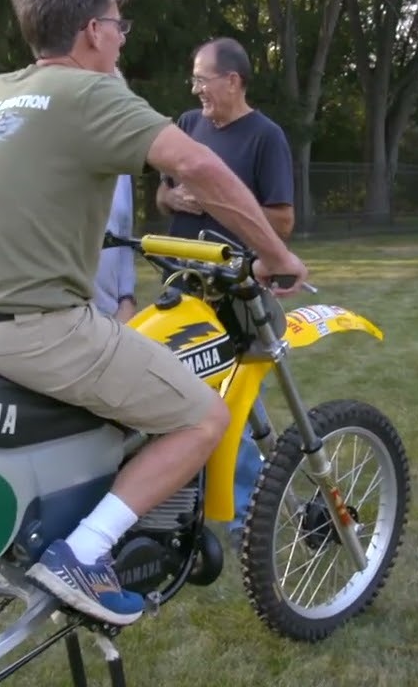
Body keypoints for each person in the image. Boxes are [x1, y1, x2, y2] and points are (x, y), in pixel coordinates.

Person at [0, 0, 307, 628]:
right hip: (40, 332)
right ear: (92, 31)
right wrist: (277, 255)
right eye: (117, 25)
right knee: (203, 418)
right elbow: (197, 166)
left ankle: (70, 524)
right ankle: (85, 553)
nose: (123, 37)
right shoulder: (87, 95)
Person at [156, 36, 295, 546]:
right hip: (180, 281)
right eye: (193, 80)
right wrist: (176, 198)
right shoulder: (188, 125)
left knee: (231, 398)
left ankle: (243, 516)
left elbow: (282, 220)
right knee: (177, 394)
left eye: (202, 80)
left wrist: (215, 201)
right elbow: (163, 193)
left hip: (233, 288)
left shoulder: (266, 137)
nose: (196, 90)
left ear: (233, 81)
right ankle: (187, 501)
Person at [94, 171, 138, 322]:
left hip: (113, 314)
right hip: (63, 317)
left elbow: (125, 238)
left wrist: (127, 299)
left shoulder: (122, 172)